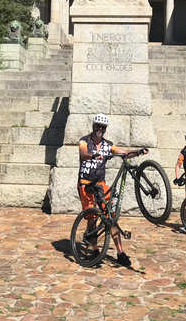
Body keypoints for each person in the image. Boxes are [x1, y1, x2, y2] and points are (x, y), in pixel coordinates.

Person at [78, 113, 133, 266]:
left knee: (111, 216)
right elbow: (83, 153)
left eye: (103, 127)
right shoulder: (84, 141)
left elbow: (122, 152)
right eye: (98, 126)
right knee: (91, 216)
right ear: (93, 126)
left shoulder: (108, 144)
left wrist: (136, 152)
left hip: (101, 184)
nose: (100, 129)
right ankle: (95, 249)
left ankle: (120, 252)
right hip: (85, 183)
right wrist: (92, 155)